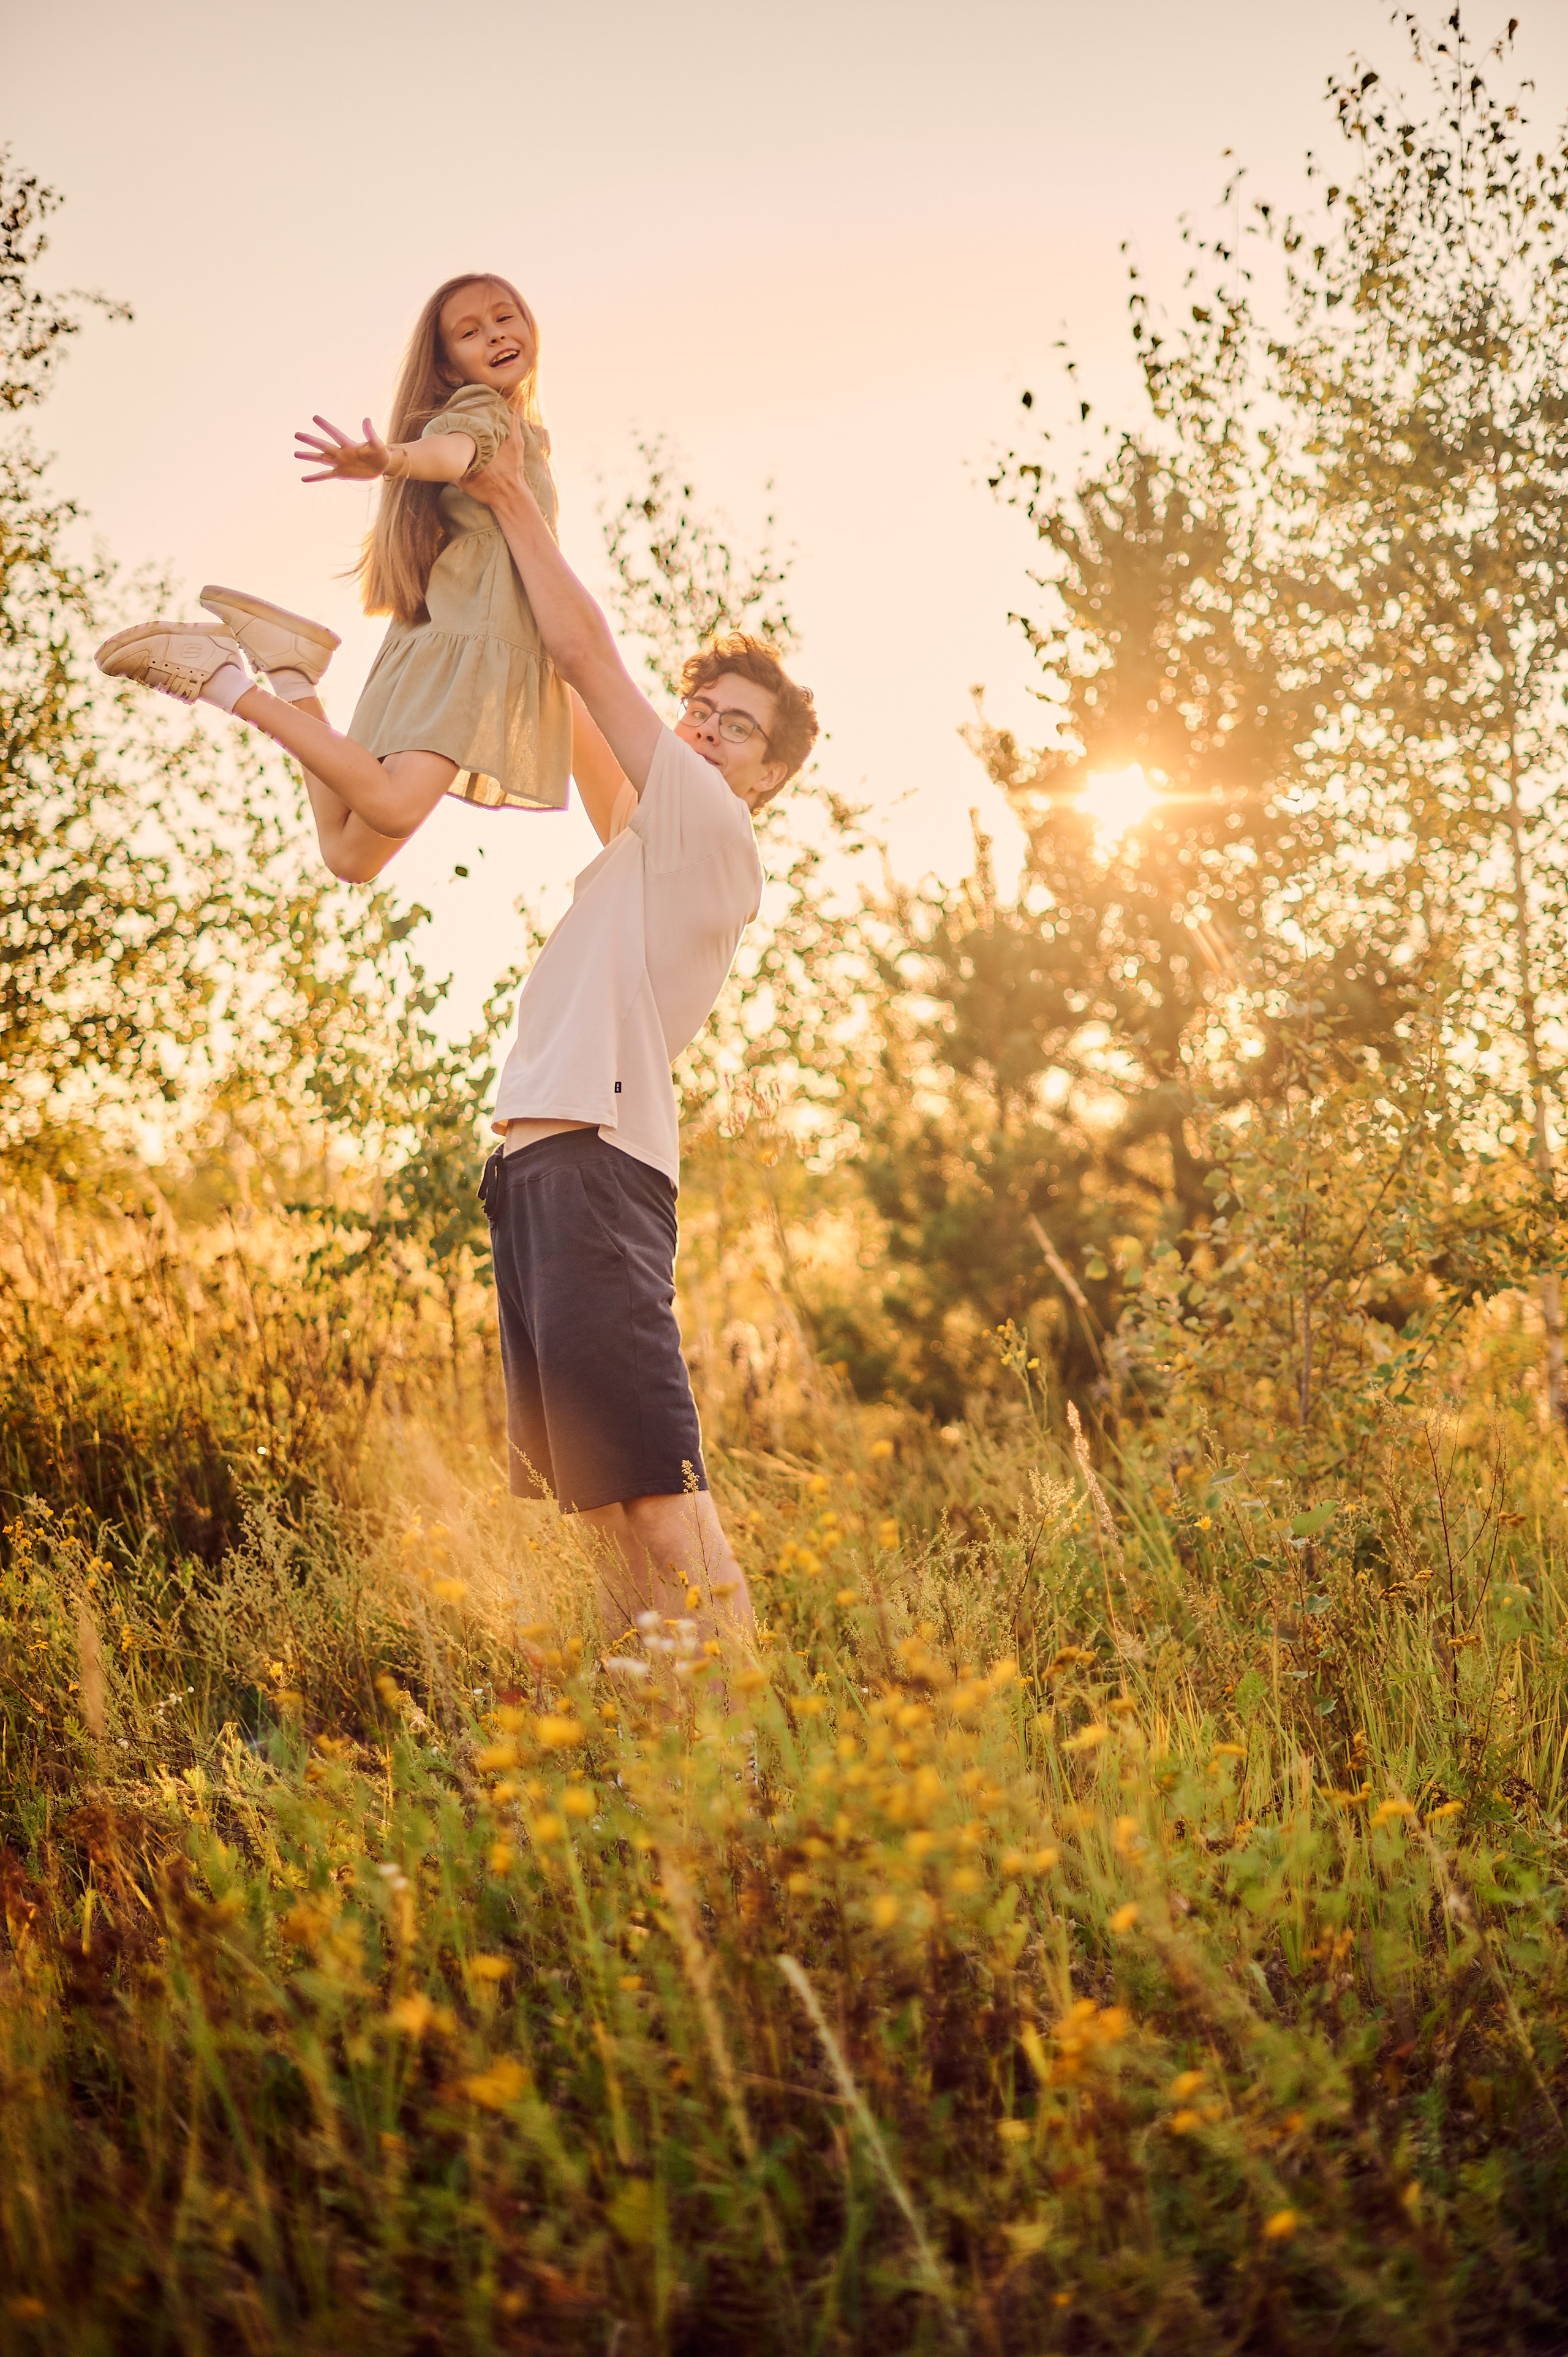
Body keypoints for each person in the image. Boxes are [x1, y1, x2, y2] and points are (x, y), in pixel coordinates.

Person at [464, 426, 818, 1646]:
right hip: (535, 1173)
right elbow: (560, 680)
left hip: (601, 1173)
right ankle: (667, 1771)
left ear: (762, 778)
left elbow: (581, 648)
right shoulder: (640, 845)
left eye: (732, 727)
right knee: (605, 1512)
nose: (703, 731)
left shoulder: (713, 834)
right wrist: (492, 516)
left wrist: (511, 497)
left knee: (663, 1510)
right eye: (698, 709)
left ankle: (752, 1766)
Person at [94, 273, 573, 878]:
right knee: (395, 810)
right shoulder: (482, 414)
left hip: (432, 641)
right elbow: (453, 451)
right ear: (451, 367)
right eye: (470, 332)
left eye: (506, 318)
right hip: (469, 650)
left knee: (349, 853)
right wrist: (392, 460)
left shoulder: (523, 431)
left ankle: (291, 672)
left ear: (530, 325)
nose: (496, 335)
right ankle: (221, 680)